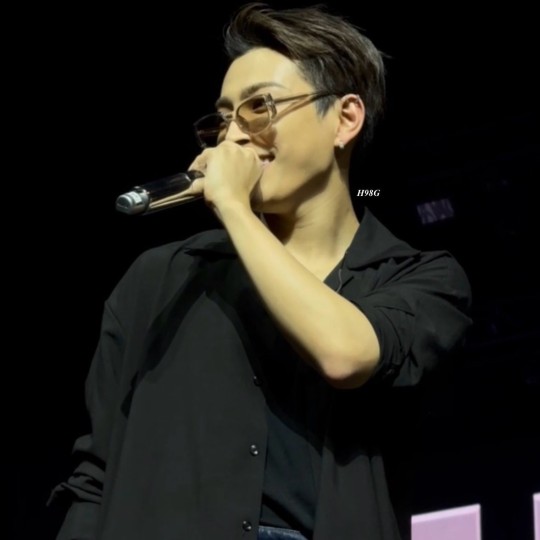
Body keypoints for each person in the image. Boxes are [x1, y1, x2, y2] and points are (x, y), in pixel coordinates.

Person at [49, 3, 472, 539]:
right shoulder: (160, 280)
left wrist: (234, 207)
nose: (233, 138)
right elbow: (95, 478)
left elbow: (345, 355)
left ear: (345, 119)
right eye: (223, 119)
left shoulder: (421, 279)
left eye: (259, 108)